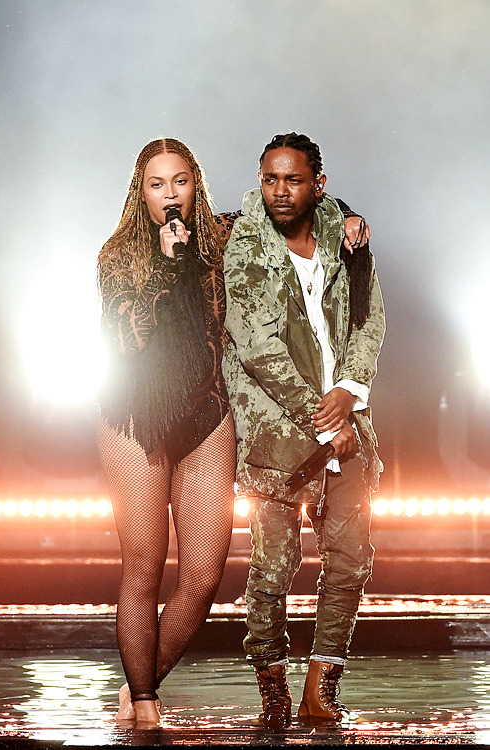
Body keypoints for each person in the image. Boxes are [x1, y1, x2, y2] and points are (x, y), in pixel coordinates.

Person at [223, 132, 385, 728]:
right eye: (269, 179)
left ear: (318, 182)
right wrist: (323, 420)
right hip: (278, 435)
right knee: (272, 569)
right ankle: (273, 695)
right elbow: (256, 346)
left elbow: (371, 317)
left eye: (292, 179)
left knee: (348, 561)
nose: (279, 191)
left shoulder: (347, 237)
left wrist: (348, 394)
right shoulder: (245, 245)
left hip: (348, 425)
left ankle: (320, 691)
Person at [96, 138, 238, 726]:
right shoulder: (118, 256)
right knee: (144, 566)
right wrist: (170, 265)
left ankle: (139, 683)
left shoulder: (223, 239)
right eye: (158, 184)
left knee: (205, 575)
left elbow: (288, 201)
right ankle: (147, 710)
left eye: (180, 181)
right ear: (142, 192)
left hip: (205, 414)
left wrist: (350, 214)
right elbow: (130, 342)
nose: (170, 194)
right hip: (136, 416)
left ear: (195, 185)